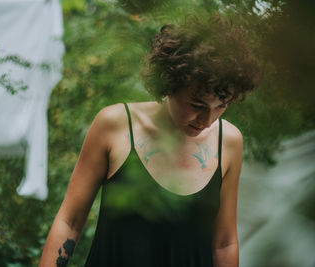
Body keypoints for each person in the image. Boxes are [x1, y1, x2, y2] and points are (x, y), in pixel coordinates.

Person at [39, 15, 260, 267]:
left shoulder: (229, 142)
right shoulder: (115, 124)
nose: (207, 119)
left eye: (221, 106)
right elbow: (70, 221)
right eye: (196, 104)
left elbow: (224, 242)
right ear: (168, 83)